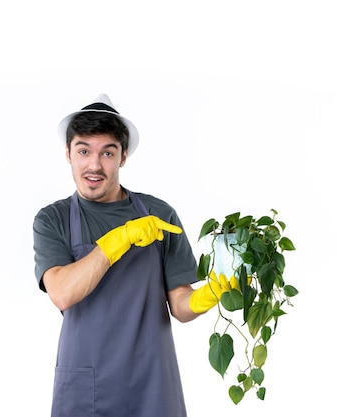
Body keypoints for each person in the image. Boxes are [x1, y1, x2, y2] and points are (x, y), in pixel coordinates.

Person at [33, 93, 231, 417]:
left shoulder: (158, 213)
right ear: (68, 153)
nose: (94, 164)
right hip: (86, 385)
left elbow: (180, 304)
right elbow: (62, 292)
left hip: (153, 382)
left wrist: (207, 295)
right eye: (83, 150)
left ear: (123, 157)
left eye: (107, 152)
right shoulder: (52, 219)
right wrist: (118, 240)